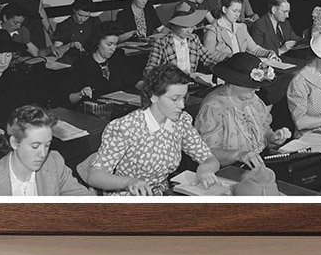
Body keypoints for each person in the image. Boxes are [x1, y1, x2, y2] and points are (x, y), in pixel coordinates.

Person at [84, 63, 220, 196]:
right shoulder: (126, 127)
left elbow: (210, 158)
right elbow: (95, 176)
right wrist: (130, 182)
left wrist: (205, 168)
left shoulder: (180, 122)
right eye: (175, 99)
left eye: (184, 98)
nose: (182, 105)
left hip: (162, 194)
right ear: (154, 96)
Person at [0, 105, 94, 196]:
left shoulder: (54, 162)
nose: (43, 154)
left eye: (47, 145)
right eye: (35, 146)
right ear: (14, 142)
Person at [195, 53, 291, 169]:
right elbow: (207, 153)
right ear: (233, 81)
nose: (257, 89)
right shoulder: (213, 106)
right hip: (230, 170)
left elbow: (264, 131)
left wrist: (273, 138)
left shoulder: (253, 98)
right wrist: (239, 155)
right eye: (250, 85)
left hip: (259, 164)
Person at [144, 2, 218, 77]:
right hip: (170, 84)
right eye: (185, 27)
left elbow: (208, 59)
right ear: (175, 26)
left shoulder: (193, 39)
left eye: (192, 27)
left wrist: (222, 69)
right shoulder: (162, 43)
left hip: (191, 83)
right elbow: (150, 71)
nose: (189, 31)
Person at [203, 0, 275, 64]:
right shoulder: (213, 30)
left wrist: (269, 53)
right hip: (224, 67)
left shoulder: (241, 27)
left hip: (241, 65)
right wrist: (232, 57)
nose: (237, 15)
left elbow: (254, 49)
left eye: (239, 11)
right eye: (234, 11)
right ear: (224, 9)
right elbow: (209, 55)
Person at [66, 29, 129, 104]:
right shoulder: (82, 64)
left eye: (115, 44)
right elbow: (71, 98)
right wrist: (81, 93)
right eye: (109, 44)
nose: (113, 49)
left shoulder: (116, 59)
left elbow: (132, 79)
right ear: (98, 42)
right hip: (91, 109)